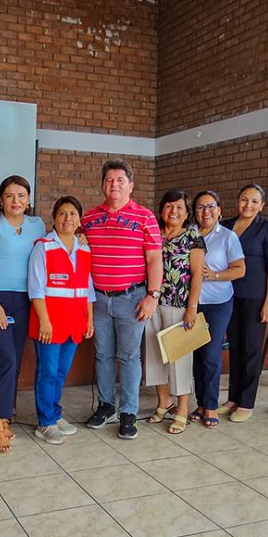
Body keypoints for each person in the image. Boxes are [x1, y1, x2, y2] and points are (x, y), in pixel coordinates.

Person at [82, 160, 163, 440]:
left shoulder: (145, 217)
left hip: (132, 298)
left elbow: (154, 259)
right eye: (109, 180)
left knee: (129, 357)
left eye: (120, 180)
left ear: (130, 185)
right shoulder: (89, 218)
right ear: (102, 185)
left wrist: (152, 296)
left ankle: (128, 412)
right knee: (103, 354)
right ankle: (106, 405)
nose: (114, 185)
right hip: (99, 300)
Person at [0, 175, 46, 453]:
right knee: (6, 358)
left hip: (24, 299)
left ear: (28, 200)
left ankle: (5, 415)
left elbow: (47, 253)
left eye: (21, 196)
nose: (16, 201)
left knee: (14, 360)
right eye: (10, 196)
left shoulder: (36, 224)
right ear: (1, 199)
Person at [28, 196, 95, 445]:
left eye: (73, 214)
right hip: (49, 323)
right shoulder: (43, 247)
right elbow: (35, 289)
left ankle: (55, 416)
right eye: (63, 214)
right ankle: (45, 423)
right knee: (47, 372)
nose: (68, 218)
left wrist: (89, 320)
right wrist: (44, 321)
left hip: (75, 323)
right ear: (54, 218)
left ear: (80, 220)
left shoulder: (84, 249)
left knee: (60, 372)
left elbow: (87, 288)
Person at [144, 190, 204, 435]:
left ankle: (181, 408)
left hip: (179, 304)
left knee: (178, 356)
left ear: (187, 212)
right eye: (169, 207)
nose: (174, 212)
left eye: (179, 207)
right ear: (161, 210)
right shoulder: (153, 233)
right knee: (153, 353)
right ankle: (163, 401)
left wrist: (192, 307)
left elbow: (198, 275)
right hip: (151, 302)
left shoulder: (193, 236)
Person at [220, 184, 268, 422]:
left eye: (255, 202)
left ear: (262, 206)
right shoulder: (225, 226)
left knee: (251, 350)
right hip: (226, 295)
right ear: (238, 201)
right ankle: (233, 397)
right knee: (235, 348)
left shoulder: (266, 228)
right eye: (245, 200)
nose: (248, 205)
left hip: (255, 298)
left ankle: (246, 402)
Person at [189, 191, 245, 429]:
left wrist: (215, 275)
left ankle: (211, 404)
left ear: (219, 209)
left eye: (210, 206)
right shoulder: (189, 233)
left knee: (211, 354)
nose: (206, 212)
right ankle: (201, 403)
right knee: (196, 356)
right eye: (201, 207)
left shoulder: (228, 237)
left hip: (218, 304)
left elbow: (240, 269)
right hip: (191, 303)